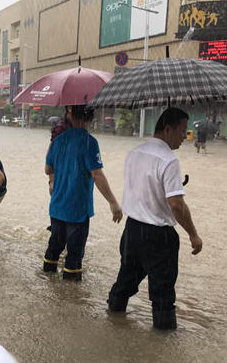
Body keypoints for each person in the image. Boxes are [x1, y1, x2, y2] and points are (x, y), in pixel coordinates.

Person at [106, 108, 203, 331]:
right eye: (181, 131)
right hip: (159, 237)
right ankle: (164, 346)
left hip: (132, 231)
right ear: (167, 129)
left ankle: (112, 319)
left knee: (125, 281)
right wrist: (193, 234)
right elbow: (176, 205)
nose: (183, 137)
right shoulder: (169, 160)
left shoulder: (134, 153)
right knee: (163, 295)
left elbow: (143, 190)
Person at [43, 104, 122, 281]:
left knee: (54, 247)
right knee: (74, 255)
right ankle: (71, 301)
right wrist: (113, 202)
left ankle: (47, 284)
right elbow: (97, 174)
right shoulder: (89, 142)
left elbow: (48, 169)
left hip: (57, 206)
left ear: (70, 115)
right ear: (89, 119)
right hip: (77, 209)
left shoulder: (57, 140)